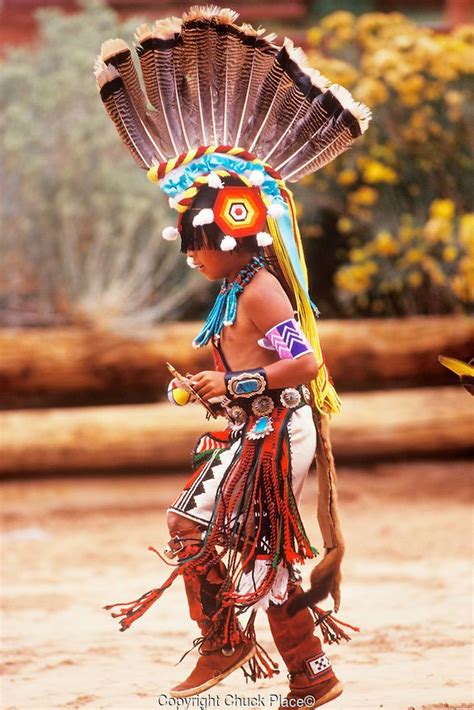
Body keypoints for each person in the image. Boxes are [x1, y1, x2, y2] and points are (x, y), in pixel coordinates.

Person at [96, 6, 370, 707]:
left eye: (196, 241)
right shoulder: (239, 290)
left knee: (193, 526)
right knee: (260, 553)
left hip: (281, 429)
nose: (190, 255)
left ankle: (223, 641)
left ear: (230, 233)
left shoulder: (263, 292)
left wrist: (234, 380)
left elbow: (305, 364)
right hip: (260, 426)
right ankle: (310, 673)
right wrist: (217, 391)